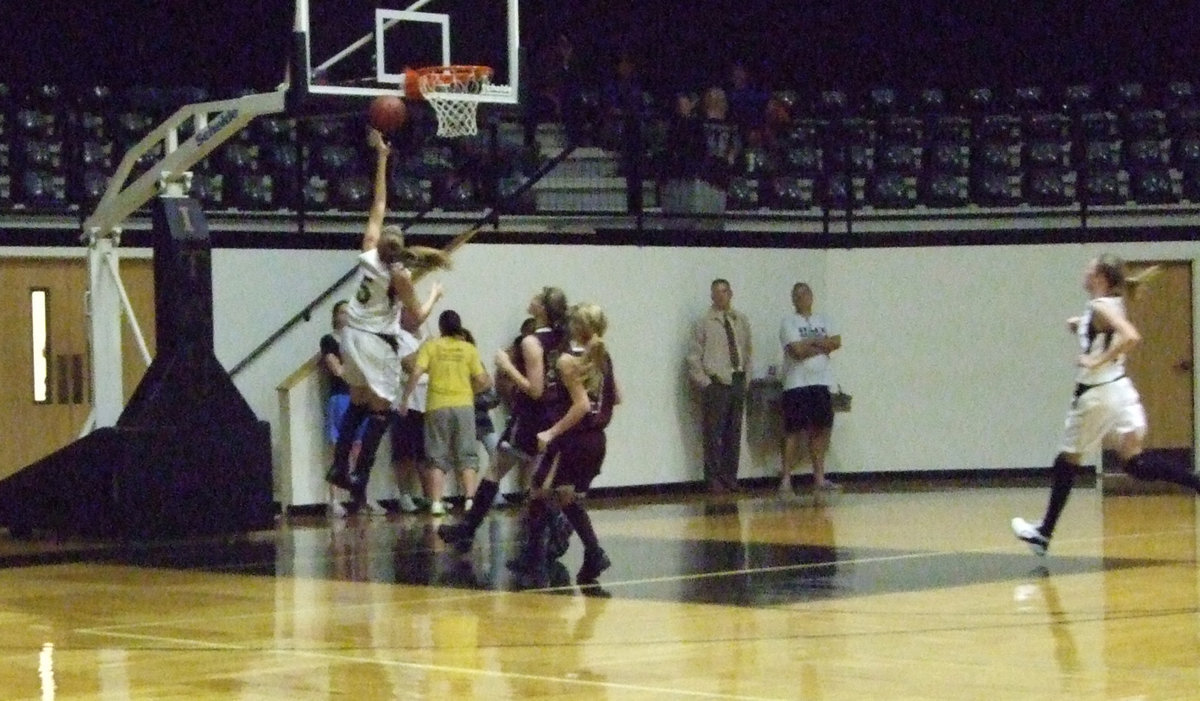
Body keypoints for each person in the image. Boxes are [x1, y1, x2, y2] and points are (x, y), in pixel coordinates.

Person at [1012, 255, 1200, 555]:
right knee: (1135, 462)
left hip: (1097, 393)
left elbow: (1130, 336)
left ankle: (1043, 533)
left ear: (1100, 277)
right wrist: (1082, 327)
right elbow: (1108, 332)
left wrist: (1095, 359)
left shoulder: (1100, 306)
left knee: (1066, 460)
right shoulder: (1109, 304)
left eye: (1089, 268)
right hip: (1120, 389)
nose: (1084, 272)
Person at [325, 127, 448, 511]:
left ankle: (339, 470)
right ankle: (359, 474)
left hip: (351, 335)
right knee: (382, 410)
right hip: (376, 340)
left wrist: (381, 158)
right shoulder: (400, 276)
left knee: (359, 401)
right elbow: (417, 316)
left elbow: (378, 204)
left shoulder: (367, 252)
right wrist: (434, 295)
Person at [437, 288, 569, 550]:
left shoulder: (531, 342)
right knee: (531, 478)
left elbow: (536, 389)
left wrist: (507, 366)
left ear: (542, 308)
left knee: (499, 470)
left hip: (532, 416)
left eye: (537, 297)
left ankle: (553, 528)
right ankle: (472, 529)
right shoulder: (561, 338)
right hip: (552, 415)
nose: (530, 297)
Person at [510, 302, 620, 588]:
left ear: (576, 327)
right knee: (565, 497)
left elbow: (582, 404)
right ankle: (592, 553)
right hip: (596, 440)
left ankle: (534, 559)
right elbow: (617, 396)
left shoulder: (566, 361)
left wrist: (551, 431)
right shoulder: (602, 357)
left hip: (572, 438)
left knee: (537, 491)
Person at [399, 310, 492, 517]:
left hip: (437, 405)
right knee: (467, 453)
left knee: (436, 455)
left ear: (440, 328)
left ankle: (436, 502)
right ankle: (469, 500)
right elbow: (483, 380)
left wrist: (405, 397)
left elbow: (415, 372)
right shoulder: (468, 349)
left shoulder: (432, 346)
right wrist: (470, 391)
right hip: (464, 405)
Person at [686, 278, 752, 494]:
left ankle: (730, 477)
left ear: (731, 293)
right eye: (716, 293)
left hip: (737, 380)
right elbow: (694, 356)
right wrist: (705, 382)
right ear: (711, 296)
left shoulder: (740, 320)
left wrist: (746, 377)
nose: (720, 296)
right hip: (716, 382)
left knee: (734, 433)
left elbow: (747, 350)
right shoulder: (704, 322)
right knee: (714, 434)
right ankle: (713, 478)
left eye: (724, 291)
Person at [778, 282, 843, 495]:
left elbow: (836, 341)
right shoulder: (788, 322)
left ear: (811, 296)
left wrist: (811, 344)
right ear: (792, 299)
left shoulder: (824, 319)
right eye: (797, 295)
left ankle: (820, 478)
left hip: (821, 383)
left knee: (820, 429)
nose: (801, 298)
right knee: (793, 431)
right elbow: (796, 351)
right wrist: (820, 344)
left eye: (805, 294)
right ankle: (786, 479)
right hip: (796, 384)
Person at [320, 300, 361, 517]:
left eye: (350, 312)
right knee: (339, 448)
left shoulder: (357, 339)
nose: (347, 316)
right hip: (341, 397)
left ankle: (358, 497)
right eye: (343, 312)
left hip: (358, 394)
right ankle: (334, 499)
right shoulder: (329, 340)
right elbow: (336, 369)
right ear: (335, 315)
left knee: (359, 449)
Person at [391, 308, 431, 514]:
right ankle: (404, 495)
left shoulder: (426, 336)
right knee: (404, 452)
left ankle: (429, 496)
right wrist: (425, 348)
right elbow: (409, 364)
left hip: (428, 401)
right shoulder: (397, 336)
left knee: (426, 453)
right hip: (406, 402)